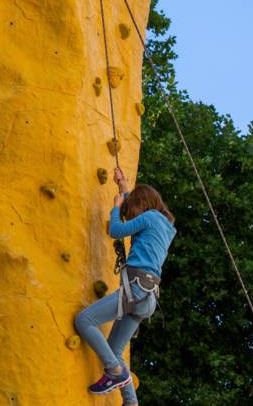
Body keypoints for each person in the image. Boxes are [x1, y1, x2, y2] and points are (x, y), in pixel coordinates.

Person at [74, 167, 176, 404]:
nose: (131, 215)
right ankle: (131, 402)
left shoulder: (149, 218)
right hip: (147, 297)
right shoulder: (164, 226)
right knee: (115, 350)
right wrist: (124, 187)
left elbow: (116, 230)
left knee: (84, 320)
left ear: (145, 204)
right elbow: (137, 212)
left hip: (136, 288)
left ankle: (113, 371)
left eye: (134, 210)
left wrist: (117, 206)